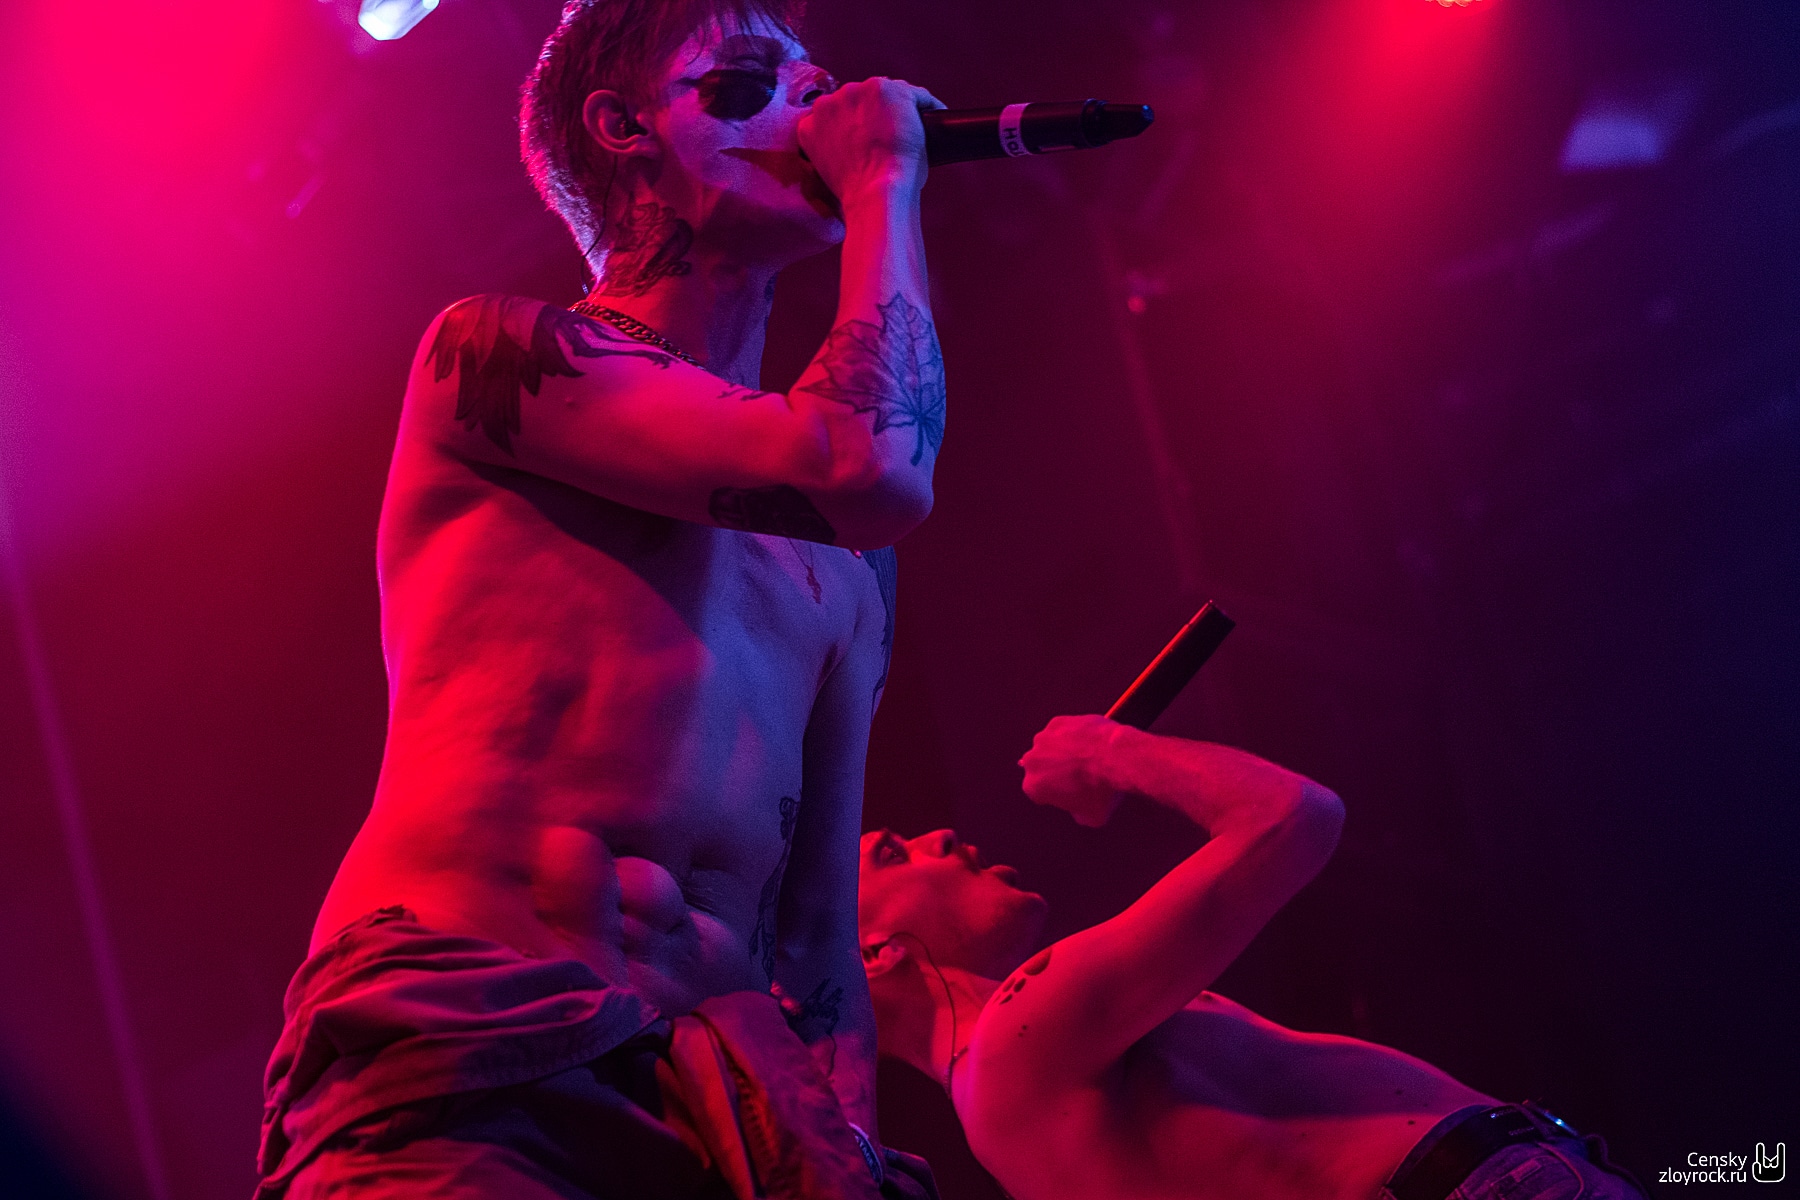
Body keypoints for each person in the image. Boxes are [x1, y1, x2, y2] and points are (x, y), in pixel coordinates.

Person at [255, 1, 948, 1195]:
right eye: (753, 75)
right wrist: (887, 182)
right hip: (471, 1042)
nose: (816, 100)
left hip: (721, 1111)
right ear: (625, 127)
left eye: (819, 76)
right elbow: (872, 466)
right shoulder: (497, 359)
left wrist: (844, 1151)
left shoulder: (841, 565)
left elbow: (817, 940)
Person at [858, 714, 1648, 1200]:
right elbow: (1293, 815)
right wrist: (1105, 749)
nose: (938, 837)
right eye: (892, 854)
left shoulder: (1005, 1107)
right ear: (872, 954)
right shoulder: (1020, 1032)